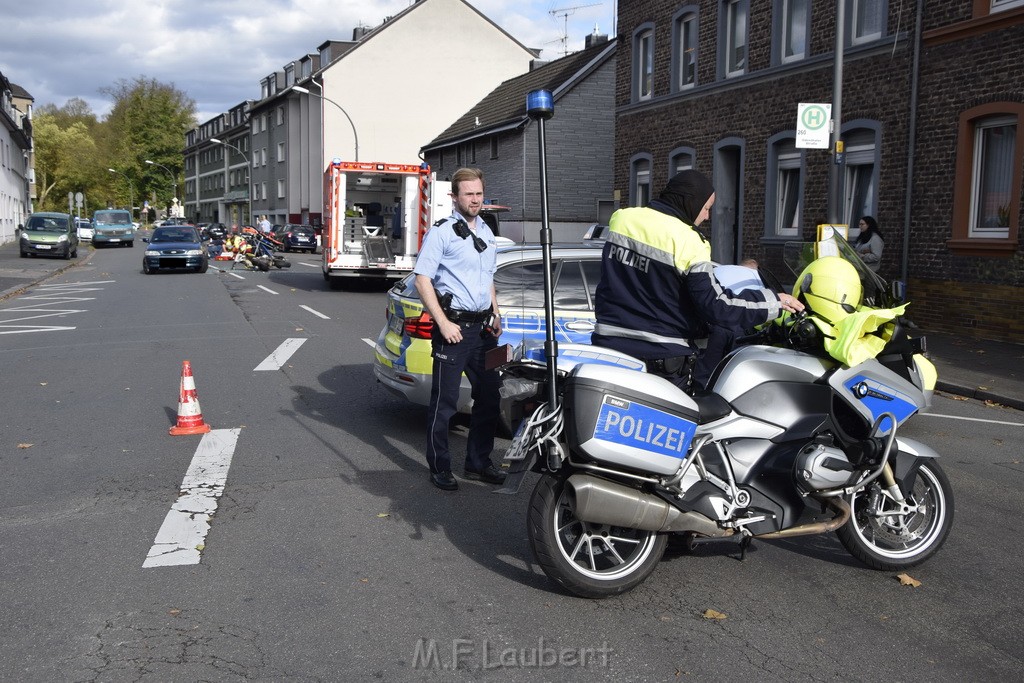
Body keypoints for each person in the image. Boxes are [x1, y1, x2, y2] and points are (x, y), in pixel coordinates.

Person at [592, 170, 804, 392]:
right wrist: (773, 302)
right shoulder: (688, 240)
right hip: (661, 359)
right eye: (706, 208)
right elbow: (717, 305)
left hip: (609, 349)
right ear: (689, 202)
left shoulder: (622, 219)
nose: (706, 217)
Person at [413, 167, 505, 491]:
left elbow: (488, 277)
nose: (475, 199)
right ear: (454, 197)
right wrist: (443, 322)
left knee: (490, 399)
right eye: (469, 194)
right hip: (454, 329)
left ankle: (478, 463)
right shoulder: (441, 232)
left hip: (483, 332)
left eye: (479, 193)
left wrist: (496, 313)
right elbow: (422, 279)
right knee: (446, 403)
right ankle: (439, 467)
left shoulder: (487, 232)